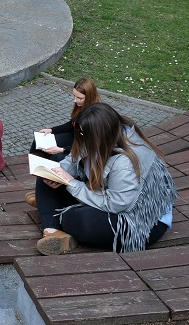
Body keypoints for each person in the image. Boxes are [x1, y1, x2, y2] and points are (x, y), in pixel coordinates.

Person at [33, 103, 178, 256]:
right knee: (52, 166)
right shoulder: (93, 134)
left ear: (100, 136)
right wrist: (59, 174)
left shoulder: (125, 163)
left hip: (139, 222)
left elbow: (117, 204)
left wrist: (70, 183)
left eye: (84, 135)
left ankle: (51, 208)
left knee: (80, 220)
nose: (80, 137)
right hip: (105, 193)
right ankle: (52, 231)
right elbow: (73, 157)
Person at [30, 77, 101, 162]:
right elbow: (72, 124)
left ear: (89, 97)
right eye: (74, 96)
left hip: (85, 148)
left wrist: (62, 150)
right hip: (74, 137)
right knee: (37, 142)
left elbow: (88, 146)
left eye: (79, 98)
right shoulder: (81, 106)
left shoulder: (96, 116)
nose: (75, 100)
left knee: (55, 158)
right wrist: (51, 130)